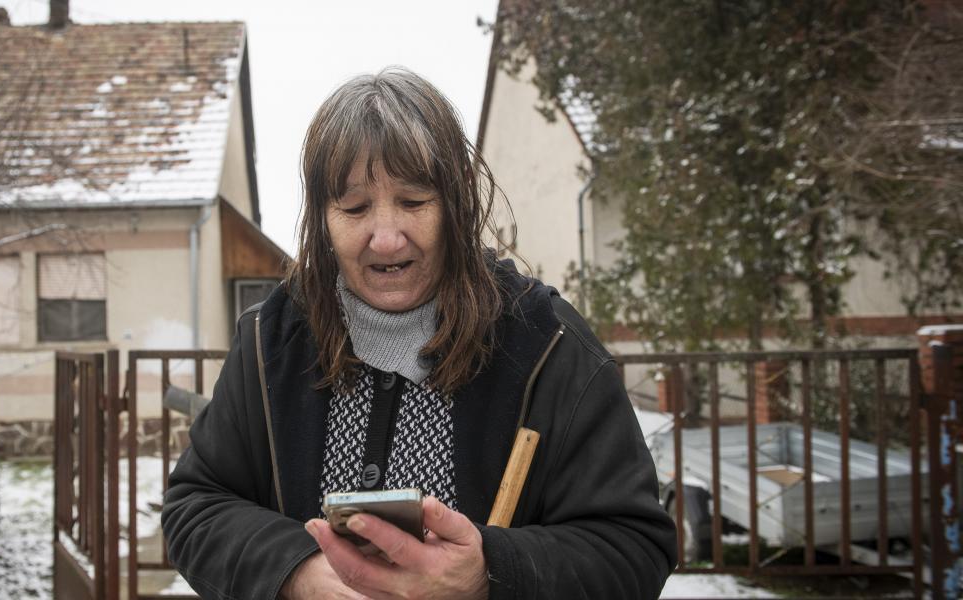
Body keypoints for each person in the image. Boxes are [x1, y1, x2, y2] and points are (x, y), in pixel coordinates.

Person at [161, 67, 677, 599]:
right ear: (322, 218)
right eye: (355, 207)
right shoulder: (272, 342)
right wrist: (296, 574)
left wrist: (488, 574)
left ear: (456, 205)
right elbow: (195, 506)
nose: (385, 239)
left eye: (413, 201)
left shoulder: (548, 343)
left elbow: (633, 546)